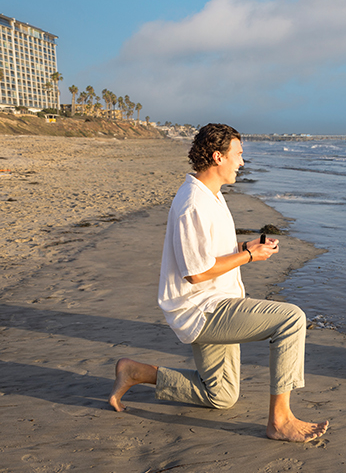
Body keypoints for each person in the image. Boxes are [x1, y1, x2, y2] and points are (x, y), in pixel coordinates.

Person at [108, 123, 328, 441]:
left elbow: (209, 254)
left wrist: (247, 249)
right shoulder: (192, 204)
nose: (241, 161)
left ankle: (136, 372)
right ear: (217, 157)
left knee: (221, 396)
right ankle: (280, 420)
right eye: (237, 154)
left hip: (215, 300)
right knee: (291, 319)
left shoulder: (211, 196)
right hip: (203, 308)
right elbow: (196, 272)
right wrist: (249, 258)